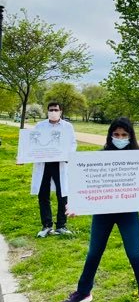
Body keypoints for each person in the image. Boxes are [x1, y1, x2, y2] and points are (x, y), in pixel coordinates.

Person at [59, 117, 139, 302]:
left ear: (130, 137)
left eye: (124, 135)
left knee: (135, 254)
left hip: (127, 212)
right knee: (94, 252)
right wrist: (76, 205)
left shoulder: (138, 159)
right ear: (110, 135)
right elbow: (85, 186)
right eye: (116, 135)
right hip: (102, 212)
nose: (120, 138)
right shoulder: (99, 158)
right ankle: (84, 292)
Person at [31, 102, 77, 237]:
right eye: (51, 110)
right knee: (43, 194)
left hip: (60, 163)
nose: (53, 112)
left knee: (62, 194)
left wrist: (69, 155)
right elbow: (33, 142)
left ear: (60, 111)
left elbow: (73, 143)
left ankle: (61, 226)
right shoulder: (40, 126)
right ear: (47, 111)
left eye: (55, 110)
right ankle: (46, 225)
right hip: (44, 164)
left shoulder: (67, 127)